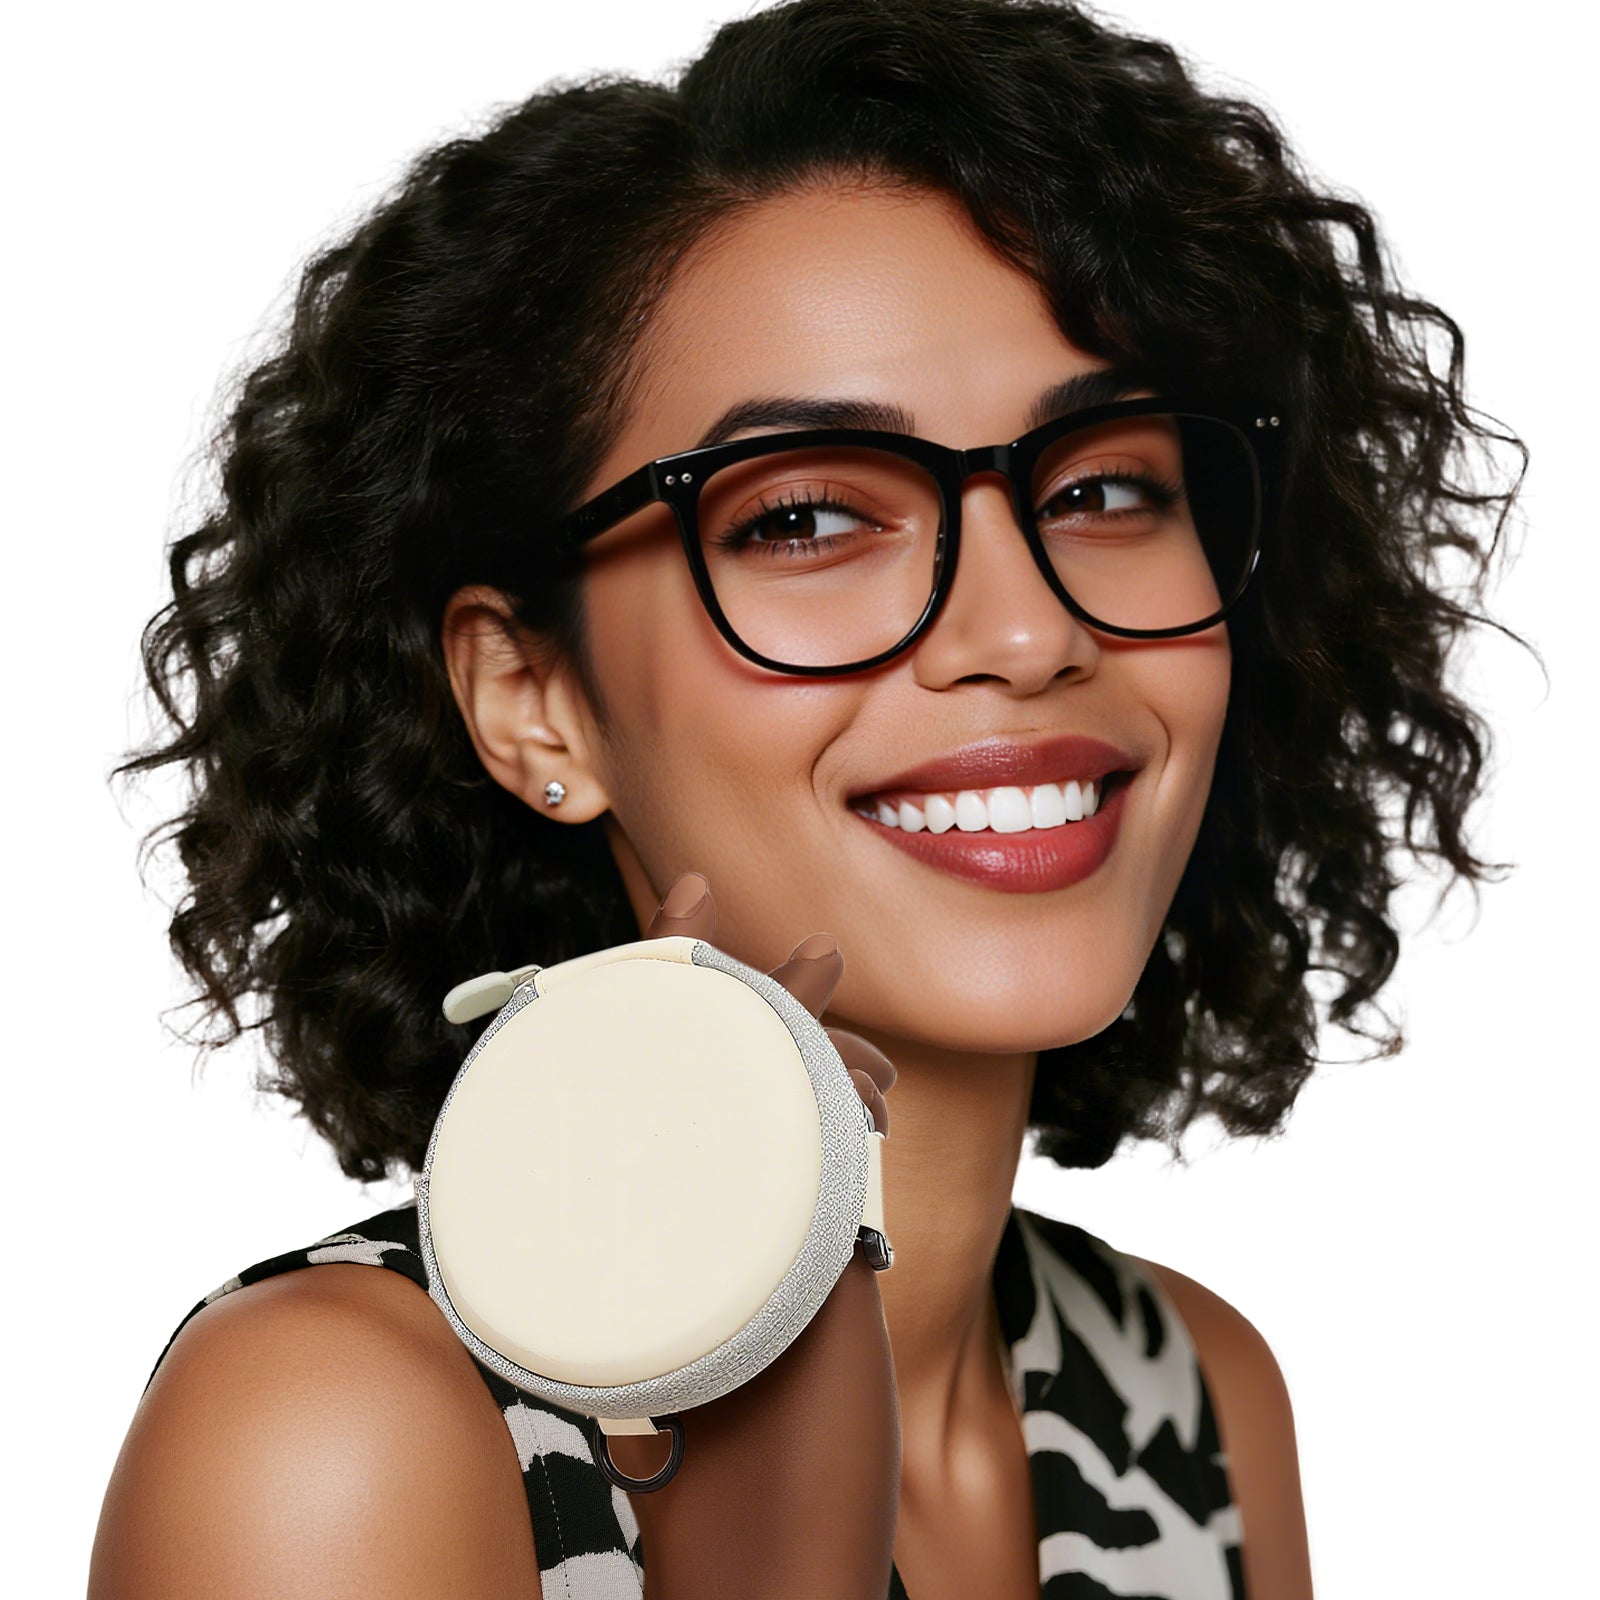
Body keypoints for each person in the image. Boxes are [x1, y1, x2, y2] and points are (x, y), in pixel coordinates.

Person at [88, 1, 1525, 1596]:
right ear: (532, 697)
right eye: (805, 519)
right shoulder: (334, 1439)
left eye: (1107, 486)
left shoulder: (1190, 1395)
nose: (1027, 633)